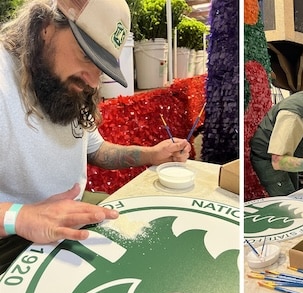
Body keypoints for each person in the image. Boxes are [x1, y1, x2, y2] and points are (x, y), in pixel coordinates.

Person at [0, 0, 190, 252]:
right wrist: (21, 217)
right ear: (45, 26)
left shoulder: (68, 85)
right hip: (12, 238)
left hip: (74, 216)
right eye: (86, 55)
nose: (92, 82)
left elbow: (95, 151)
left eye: (100, 66)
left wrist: (151, 154)